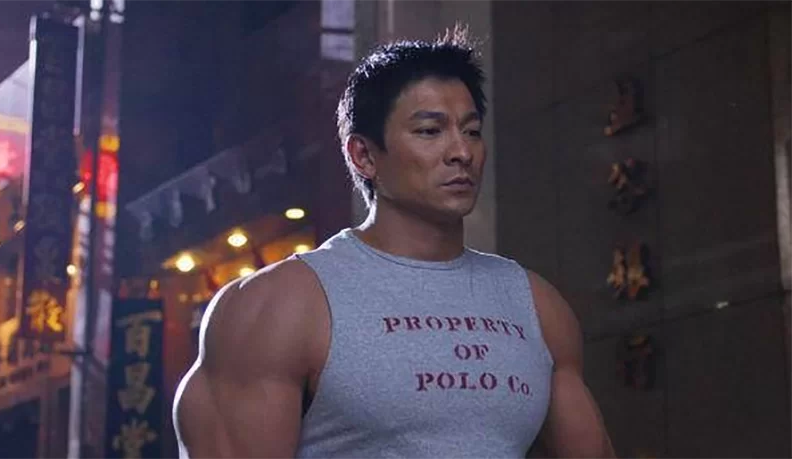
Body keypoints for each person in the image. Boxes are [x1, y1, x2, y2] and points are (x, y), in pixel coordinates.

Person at [173, 27, 617, 459]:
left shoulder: (534, 304)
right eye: (430, 131)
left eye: (471, 131)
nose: (461, 152)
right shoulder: (277, 305)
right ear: (364, 156)